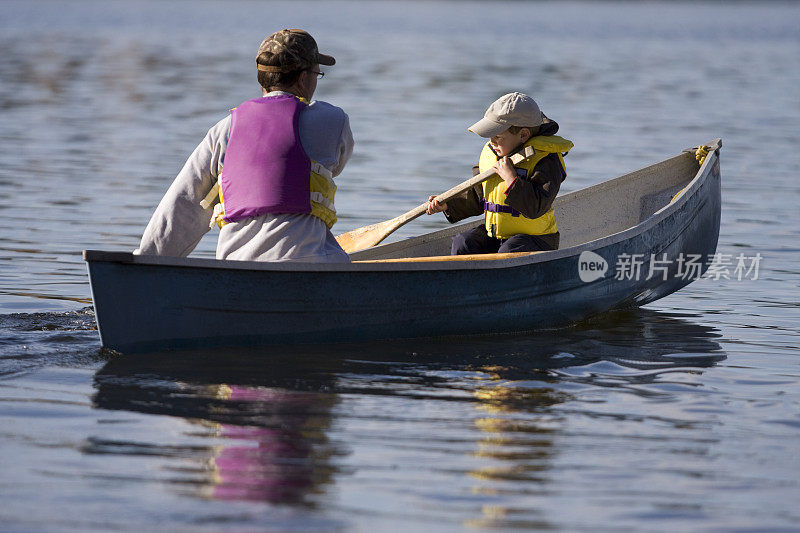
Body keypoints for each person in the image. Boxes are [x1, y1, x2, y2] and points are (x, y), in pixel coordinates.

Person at [135, 29, 354, 262]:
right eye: (316, 73)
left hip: (236, 267)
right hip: (307, 264)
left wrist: (145, 262)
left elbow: (182, 204)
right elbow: (336, 166)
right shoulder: (332, 121)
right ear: (302, 78)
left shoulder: (224, 130)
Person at [425, 92, 573, 255]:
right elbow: (478, 196)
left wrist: (511, 178)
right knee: (464, 243)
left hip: (536, 240)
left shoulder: (546, 160)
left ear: (523, 135)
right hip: (497, 236)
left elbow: (536, 207)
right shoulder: (493, 153)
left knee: (509, 251)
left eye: (497, 136)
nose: (492, 142)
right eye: (490, 136)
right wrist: (448, 205)